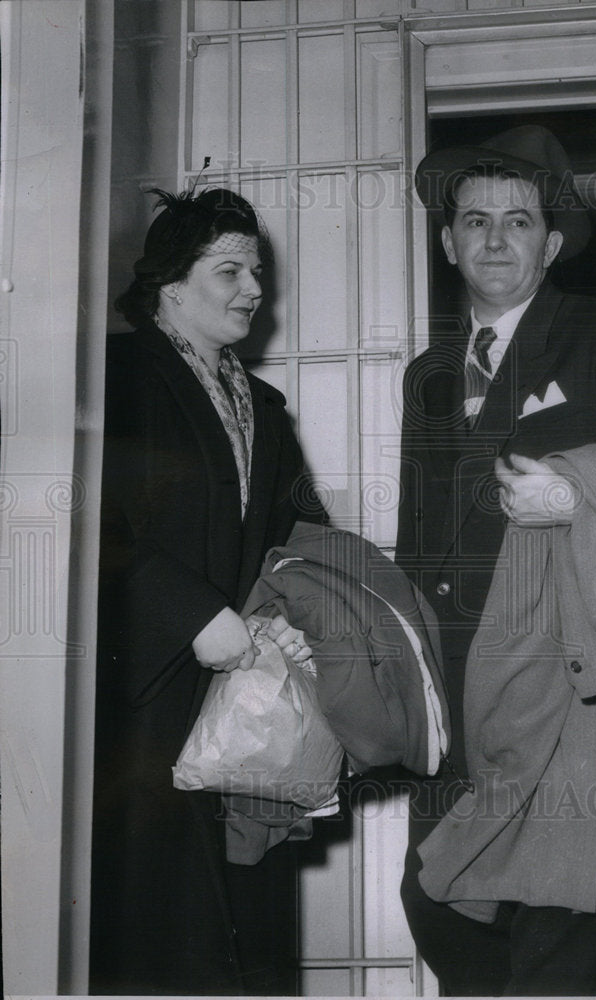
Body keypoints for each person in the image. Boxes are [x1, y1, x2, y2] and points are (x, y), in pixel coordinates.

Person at [394, 125, 596, 995]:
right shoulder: (427, 374)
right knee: (438, 901)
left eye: (519, 221)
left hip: (573, 690)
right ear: (449, 241)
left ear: (552, 243)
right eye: (477, 220)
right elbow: (424, 544)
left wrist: (581, 494)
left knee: (565, 941)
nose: (496, 238)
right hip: (458, 701)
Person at [90, 187, 323, 995]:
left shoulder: (262, 405)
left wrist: (295, 618)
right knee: (160, 924)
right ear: (170, 285)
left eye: (256, 271)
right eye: (230, 271)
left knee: (245, 918)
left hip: (250, 697)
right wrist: (192, 614)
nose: (254, 290)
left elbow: (304, 536)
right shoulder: (115, 377)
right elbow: (88, 524)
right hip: (146, 698)